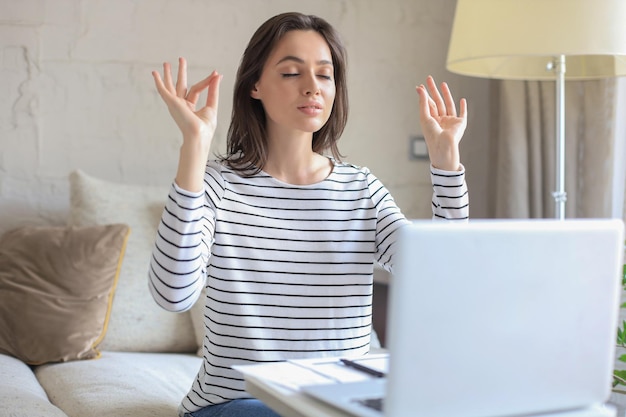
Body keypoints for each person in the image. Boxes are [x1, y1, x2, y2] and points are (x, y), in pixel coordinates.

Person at [149, 11, 469, 417]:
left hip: (340, 401)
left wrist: (446, 165)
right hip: (238, 403)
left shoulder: (361, 190)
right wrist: (194, 146)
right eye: (290, 73)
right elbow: (172, 294)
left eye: (324, 74)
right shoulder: (216, 186)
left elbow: (446, 279)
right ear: (255, 86)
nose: (312, 87)